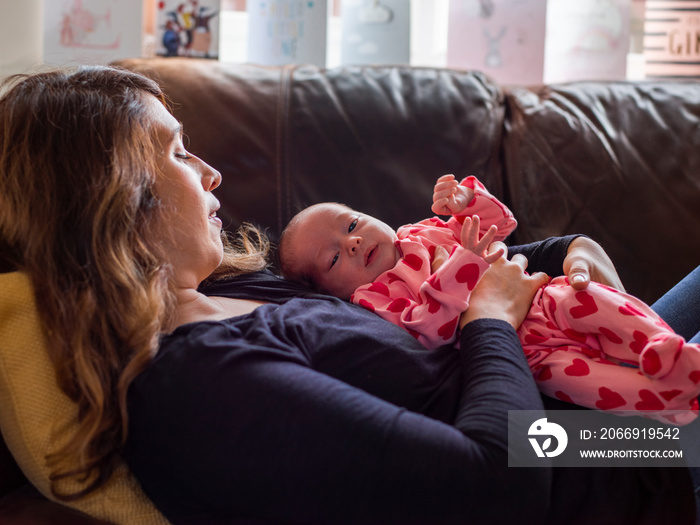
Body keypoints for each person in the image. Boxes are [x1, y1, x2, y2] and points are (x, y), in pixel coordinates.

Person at [0, 65, 696, 524]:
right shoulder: (206, 387)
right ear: (117, 196)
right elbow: (495, 488)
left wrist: (574, 263)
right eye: (178, 153)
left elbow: (431, 274)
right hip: (612, 460)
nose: (210, 173)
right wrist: (492, 322)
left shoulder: (236, 288)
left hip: (584, 388)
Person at [279, 174, 700, 425]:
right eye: (334, 258)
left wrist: (468, 201)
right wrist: (467, 265)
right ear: (332, 293)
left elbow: (499, 227)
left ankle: (665, 352)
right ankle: (667, 403)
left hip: (545, 299)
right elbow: (431, 327)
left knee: (597, 307)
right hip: (533, 370)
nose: (352, 242)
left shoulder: (418, 232)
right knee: (590, 381)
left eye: (352, 223)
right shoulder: (372, 301)